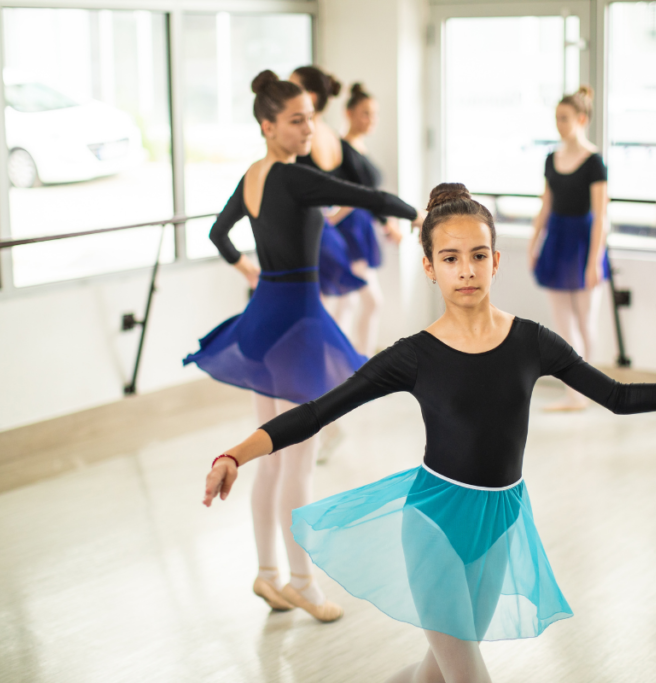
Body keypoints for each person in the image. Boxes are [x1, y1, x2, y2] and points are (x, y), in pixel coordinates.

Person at [203, 183, 656, 682]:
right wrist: (236, 452)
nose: (466, 270)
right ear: (430, 267)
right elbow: (316, 413)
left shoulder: (533, 341)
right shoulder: (413, 356)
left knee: (437, 671)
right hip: (433, 525)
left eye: (477, 256)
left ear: (497, 260)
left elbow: (617, 398)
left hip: (501, 521)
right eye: (450, 258)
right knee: (468, 676)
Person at [183, 70, 422, 622]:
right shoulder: (294, 177)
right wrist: (421, 215)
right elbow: (370, 196)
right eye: (297, 120)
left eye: (312, 116)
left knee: (268, 458)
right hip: (296, 325)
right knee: (298, 464)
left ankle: (270, 576)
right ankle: (303, 584)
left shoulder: (255, 174)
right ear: (269, 127)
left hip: (264, 317)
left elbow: (220, 233)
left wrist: (249, 269)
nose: (309, 127)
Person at [529, 86, 610, 411]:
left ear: (581, 118)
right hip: (557, 241)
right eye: (556, 118)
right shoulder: (551, 158)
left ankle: (588, 390)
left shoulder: (594, 162)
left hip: (582, 242)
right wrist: (534, 243)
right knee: (563, 324)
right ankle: (573, 393)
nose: (559, 124)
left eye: (564, 118)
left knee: (586, 321)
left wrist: (594, 260)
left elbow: (601, 216)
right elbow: (545, 206)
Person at [325, 82, 403, 355]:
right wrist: (335, 217)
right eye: (365, 113)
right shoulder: (341, 149)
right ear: (349, 113)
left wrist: (385, 222)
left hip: (361, 227)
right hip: (349, 231)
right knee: (368, 301)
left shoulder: (359, 149)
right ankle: (356, 364)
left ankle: (347, 362)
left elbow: (371, 196)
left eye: (374, 114)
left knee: (348, 301)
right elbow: (356, 194)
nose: (371, 120)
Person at [290, 66, 367, 300]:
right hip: (325, 231)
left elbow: (356, 189)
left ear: (310, 97)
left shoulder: (306, 137)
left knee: (317, 310)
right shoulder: (332, 135)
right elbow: (353, 190)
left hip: (310, 234)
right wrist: (331, 217)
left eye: (293, 87)